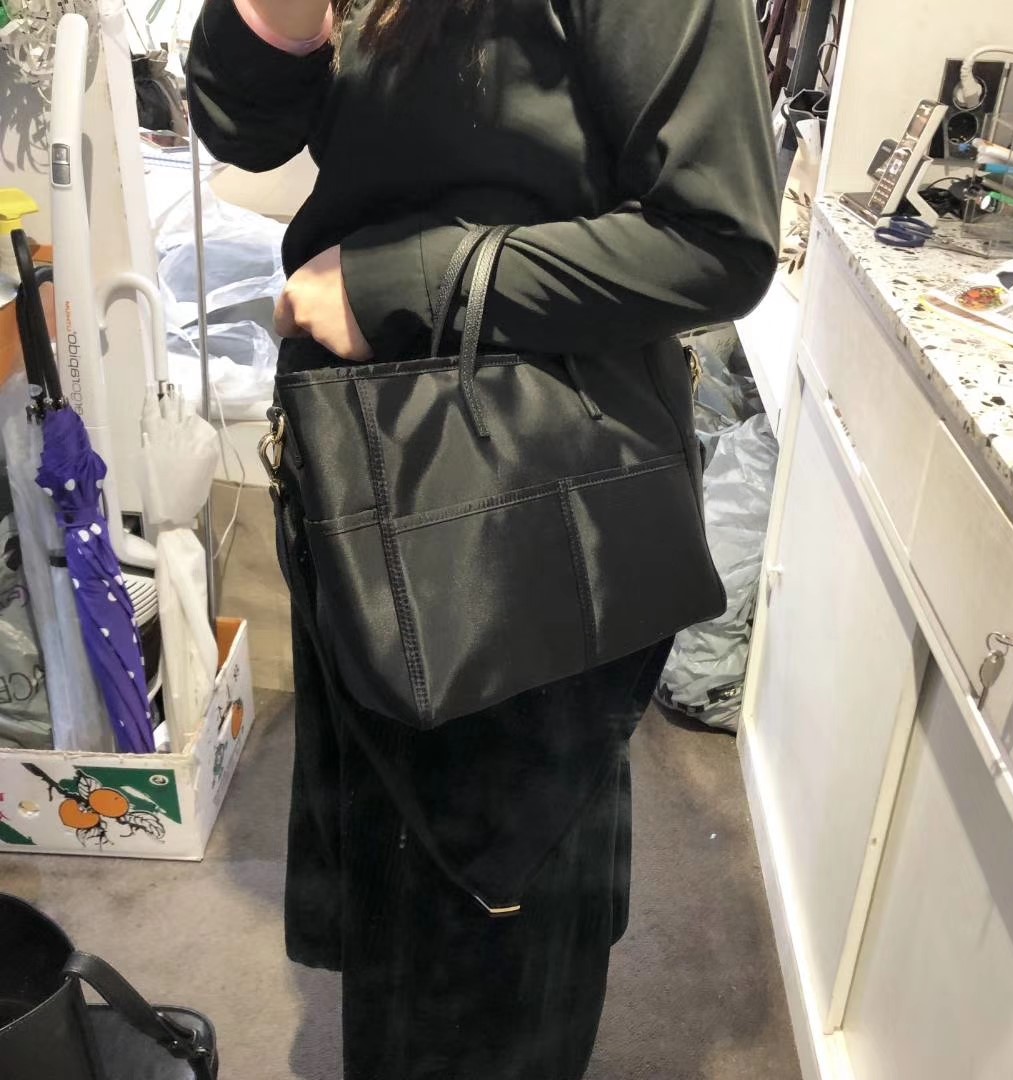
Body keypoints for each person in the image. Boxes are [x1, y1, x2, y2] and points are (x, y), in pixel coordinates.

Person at [187, 1, 778, 1077]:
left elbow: (718, 238)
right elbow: (245, 128)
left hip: (516, 491)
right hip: (364, 463)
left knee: (492, 902)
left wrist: (404, 285)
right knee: (402, 878)